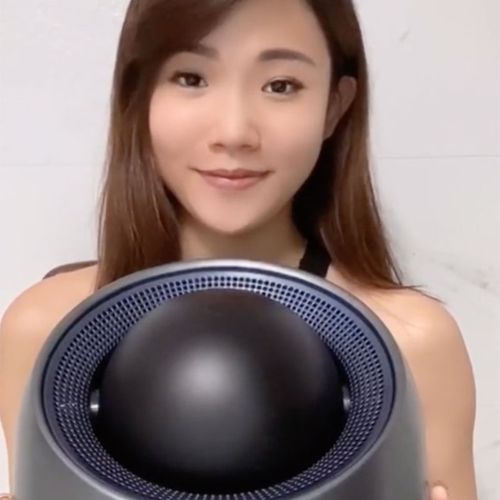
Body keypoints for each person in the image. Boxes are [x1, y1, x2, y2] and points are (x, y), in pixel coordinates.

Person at [0, 0, 477, 498]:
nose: (233, 133)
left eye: (281, 86)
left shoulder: (410, 346)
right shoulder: (45, 335)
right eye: (191, 78)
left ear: (335, 107)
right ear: (138, 95)